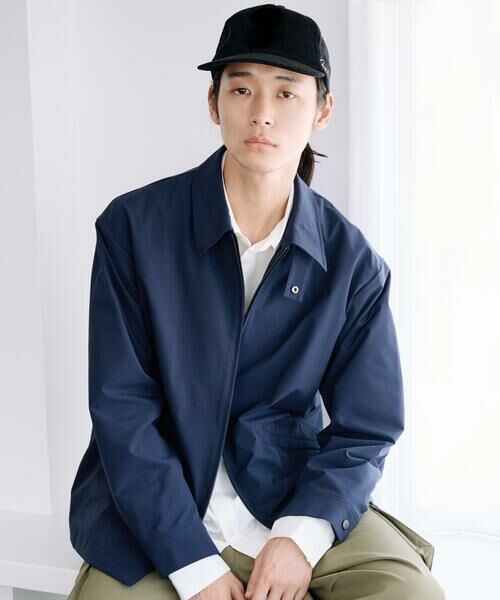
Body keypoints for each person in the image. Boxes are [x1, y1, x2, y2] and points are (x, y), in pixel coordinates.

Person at [67, 4, 446, 599]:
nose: (262, 113)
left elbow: (367, 427)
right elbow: (122, 410)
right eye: (241, 89)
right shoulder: (134, 228)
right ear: (213, 103)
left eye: (287, 92)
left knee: (410, 592)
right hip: (157, 506)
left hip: (290, 492)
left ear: (323, 110)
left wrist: (301, 537)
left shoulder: (352, 262)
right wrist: (194, 566)